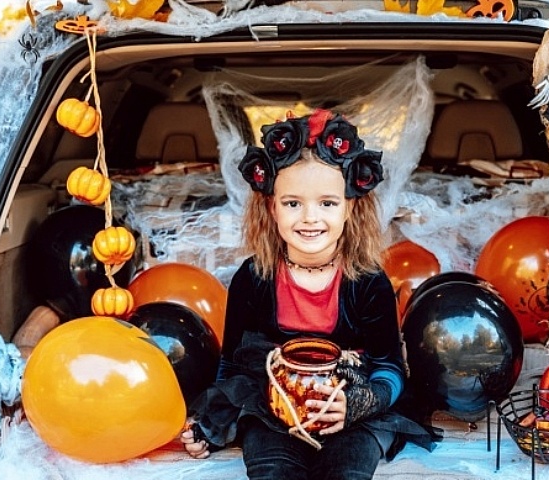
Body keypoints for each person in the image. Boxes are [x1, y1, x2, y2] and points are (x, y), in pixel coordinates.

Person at [181, 109, 434, 479]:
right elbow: (232, 366)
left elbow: (389, 367)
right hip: (272, 409)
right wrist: (212, 423)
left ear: (350, 207)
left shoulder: (368, 282)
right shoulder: (252, 278)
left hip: (351, 411)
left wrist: (359, 404)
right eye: (292, 203)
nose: (309, 218)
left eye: (327, 203)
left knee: (347, 472)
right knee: (271, 472)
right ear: (271, 207)